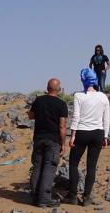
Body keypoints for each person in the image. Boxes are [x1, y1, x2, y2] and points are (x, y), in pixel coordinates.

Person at [62, 68, 110, 207]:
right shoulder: (103, 96)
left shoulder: (79, 95)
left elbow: (76, 116)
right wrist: (105, 137)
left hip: (82, 132)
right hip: (98, 133)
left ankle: (72, 195)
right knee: (91, 166)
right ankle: (87, 197)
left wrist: (72, 136)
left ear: (83, 79)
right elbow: (106, 119)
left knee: (73, 164)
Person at [28, 78, 68, 208]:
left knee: (37, 166)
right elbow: (62, 126)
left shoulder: (39, 100)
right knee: (49, 168)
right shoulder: (61, 104)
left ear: (47, 88)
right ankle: (44, 199)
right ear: (59, 90)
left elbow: (31, 116)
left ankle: (35, 196)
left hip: (39, 139)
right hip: (53, 140)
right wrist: (63, 143)